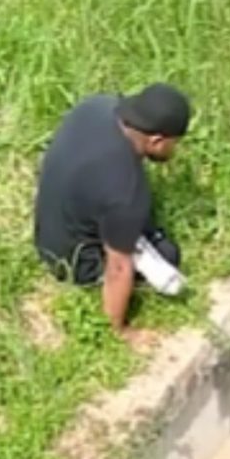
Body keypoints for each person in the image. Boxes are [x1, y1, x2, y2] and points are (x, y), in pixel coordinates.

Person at [33, 83, 192, 335]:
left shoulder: (97, 106)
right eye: (174, 143)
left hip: (49, 228)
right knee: (167, 254)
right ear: (156, 140)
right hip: (71, 260)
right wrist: (118, 330)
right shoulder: (125, 190)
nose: (174, 150)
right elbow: (118, 268)